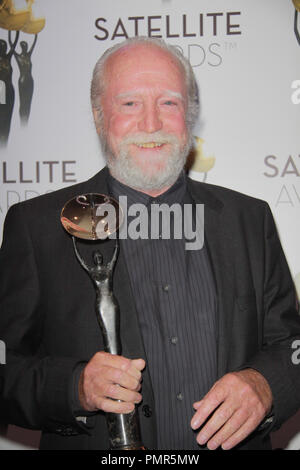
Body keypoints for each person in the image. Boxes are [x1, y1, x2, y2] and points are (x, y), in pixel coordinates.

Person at [0, 36, 300, 451]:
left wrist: (267, 383)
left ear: (190, 116)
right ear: (98, 114)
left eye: (169, 103)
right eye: (129, 104)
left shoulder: (249, 220)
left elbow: (292, 345)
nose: (151, 124)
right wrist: (74, 387)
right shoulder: (37, 227)